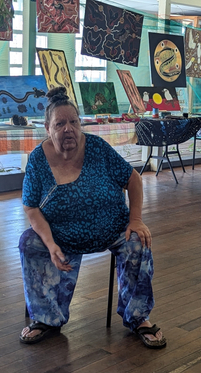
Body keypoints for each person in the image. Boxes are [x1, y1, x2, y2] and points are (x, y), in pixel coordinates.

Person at [19, 85, 166, 349]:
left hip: (111, 228)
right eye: (60, 123)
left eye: (73, 122)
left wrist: (135, 219)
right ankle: (46, 319)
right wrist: (51, 244)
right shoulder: (38, 160)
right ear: (47, 128)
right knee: (30, 243)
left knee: (138, 241)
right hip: (61, 234)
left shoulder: (97, 148)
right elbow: (31, 208)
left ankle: (139, 317)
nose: (68, 129)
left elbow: (133, 179)